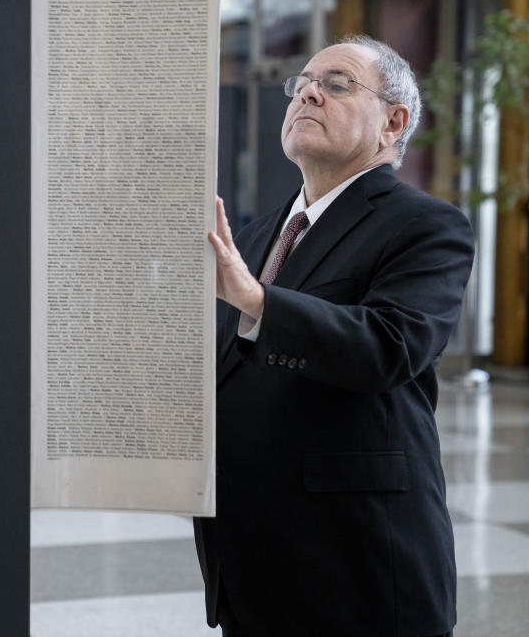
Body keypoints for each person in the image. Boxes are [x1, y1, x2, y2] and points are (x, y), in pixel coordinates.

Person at [194, 35, 473, 637]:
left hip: (359, 566)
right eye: (301, 84)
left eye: (338, 84)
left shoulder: (427, 226)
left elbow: (390, 346)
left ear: (392, 124)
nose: (308, 93)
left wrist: (256, 300)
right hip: (249, 568)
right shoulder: (254, 237)